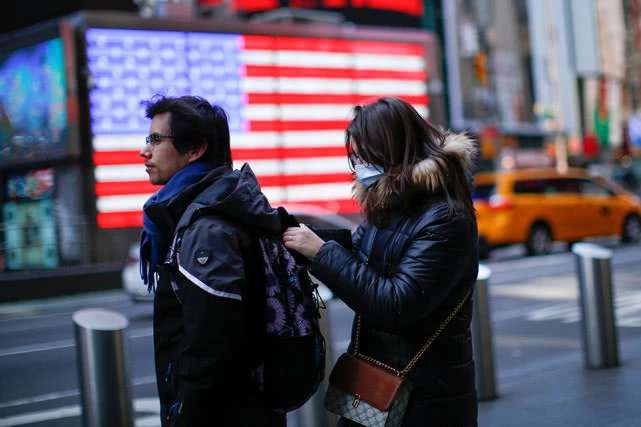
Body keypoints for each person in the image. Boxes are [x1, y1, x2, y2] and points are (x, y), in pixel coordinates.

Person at [283, 97, 479, 426]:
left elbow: (395, 303)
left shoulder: (445, 217)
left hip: (428, 398)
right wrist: (291, 234)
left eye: (363, 156)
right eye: (354, 157)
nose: (358, 165)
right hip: (383, 385)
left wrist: (321, 253)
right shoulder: (395, 203)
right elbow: (360, 249)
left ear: (390, 150)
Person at [139, 95, 287, 427]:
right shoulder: (210, 207)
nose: (144, 151)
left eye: (156, 140)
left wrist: (184, 416)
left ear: (195, 149)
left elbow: (211, 347)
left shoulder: (209, 227)